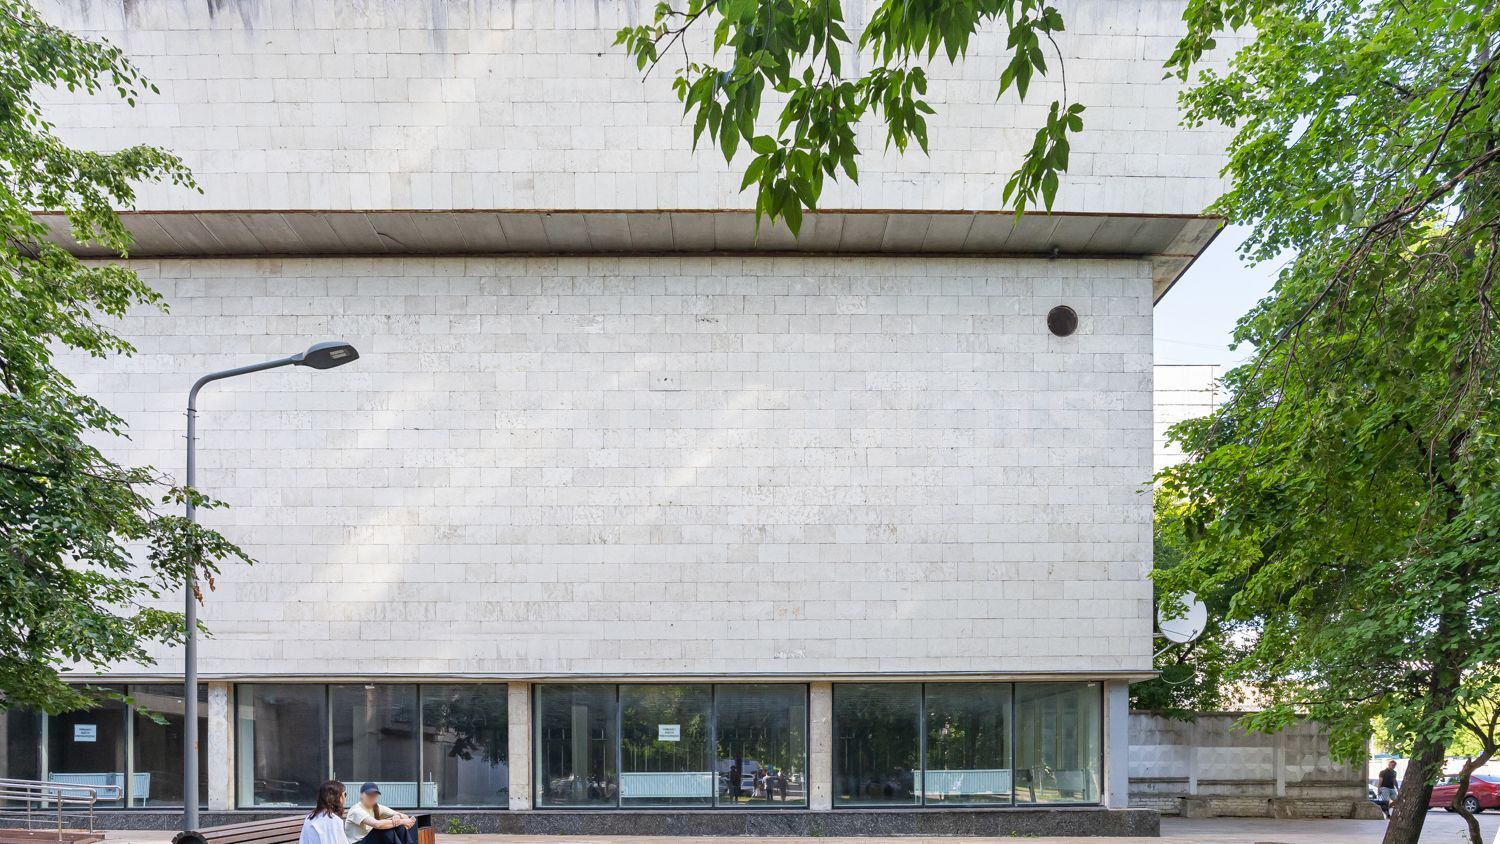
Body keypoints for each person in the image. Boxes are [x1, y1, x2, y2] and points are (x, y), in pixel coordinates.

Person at [345, 782, 417, 844]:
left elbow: (405, 816)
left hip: (371, 840)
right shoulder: (356, 810)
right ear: (361, 795)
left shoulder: (377, 807)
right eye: (369, 794)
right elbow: (377, 825)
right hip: (358, 842)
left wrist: (397, 816)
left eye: (375, 795)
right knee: (385, 829)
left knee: (398, 827)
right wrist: (402, 821)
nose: (372, 797)